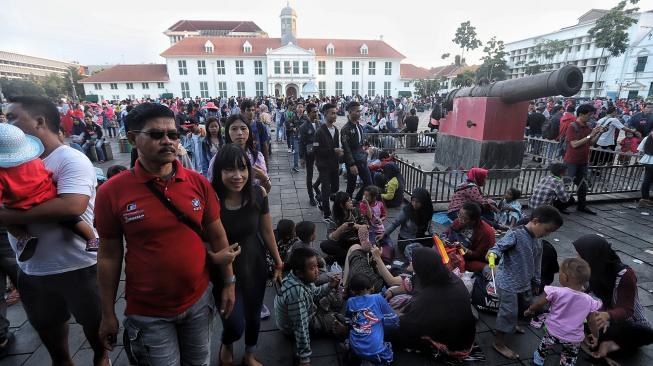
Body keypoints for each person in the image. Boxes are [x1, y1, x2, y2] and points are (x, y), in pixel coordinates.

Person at [94, 102, 238, 364]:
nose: (168, 141)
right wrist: (107, 312)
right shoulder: (111, 192)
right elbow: (109, 255)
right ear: (132, 138)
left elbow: (218, 236)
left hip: (198, 301)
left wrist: (228, 283)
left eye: (173, 135)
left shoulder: (197, 183)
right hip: (149, 313)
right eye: (157, 135)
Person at [0, 96, 108, 365]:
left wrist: (5, 215)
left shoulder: (70, 159)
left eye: (13, 117)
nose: (6, 122)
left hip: (79, 268)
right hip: (32, 271)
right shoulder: (9, 163)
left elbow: (71, 206)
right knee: (56, 351)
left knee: (99, 343)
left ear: (39, 122)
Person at [210, 144, 283, 366]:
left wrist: (279, 261)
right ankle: (227, 342)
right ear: (219, 171)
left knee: (253, 317)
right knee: (233, 323)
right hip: (224, 271)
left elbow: (267, 230)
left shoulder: (258, 194)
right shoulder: (211, 200)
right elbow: (201, 239)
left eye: (242, 169)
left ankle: (249, 354)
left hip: (255, 264)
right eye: (229, 170)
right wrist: (212, 258)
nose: (237, 176)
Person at [0, 124, 99, 260]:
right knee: (72, 220)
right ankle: (92, 239)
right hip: (49, 197)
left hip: (20, 205)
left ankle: (24, 238)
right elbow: (47, 173)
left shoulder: (2, 174)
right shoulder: (35, 160)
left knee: (8, 222)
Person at [487, 205, 563, 360]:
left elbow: (537, 262)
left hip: (524, 281)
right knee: (507, 311)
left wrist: (536, 280)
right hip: (508, 281)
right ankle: (499, 342)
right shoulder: (515, 234)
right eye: (547, 230)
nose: (547, 234)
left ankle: (512, 325)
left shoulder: (537, 241)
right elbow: (498, 247)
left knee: (522, 305)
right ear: (535, 221)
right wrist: (492, 255)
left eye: (551, 232)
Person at [573, 235, 653, 364]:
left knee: (645, 333)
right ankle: (607, 343)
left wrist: (607, 315)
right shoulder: (591, 270)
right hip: (603, 318)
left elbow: (626, 309)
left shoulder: (625, 275)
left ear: (593, 256)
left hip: (627, 322)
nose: (577, 259)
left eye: (580, 256)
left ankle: (611, 344)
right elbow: (586, 294)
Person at [386, 247, 476, 359]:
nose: (411, 262)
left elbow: (407, 323)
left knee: (389, 330)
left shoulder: (428, 298)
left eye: (413, 261)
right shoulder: (441, 275)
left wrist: (389, 311)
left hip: (454, 346)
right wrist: (391, 291)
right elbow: (412, 283)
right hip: (460, 331)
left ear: (421, 267)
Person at [524, 258, 602, 366]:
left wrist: (530, 310)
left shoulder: (556, 292)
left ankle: (538, 361)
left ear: (565, 277)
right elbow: (592, 321)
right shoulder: (589, 301)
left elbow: (538, 304)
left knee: (545, 346)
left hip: (553, 331)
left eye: (560, 273)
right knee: (570, 355)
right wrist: (596, 335)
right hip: (574, 337)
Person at [274, 247, 343, 366]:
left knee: (330, 297)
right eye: (312, 268)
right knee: (334, 318)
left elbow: (315, 293)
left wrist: (330, 285)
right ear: (300, 272)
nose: (317, 271)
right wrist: (304, 358)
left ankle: (324, 314)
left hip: (303, 310)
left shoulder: (299, 278)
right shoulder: (297, 294)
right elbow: (300, 326)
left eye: (317, 266)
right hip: (291, 327)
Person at [346, 273, 399, 365]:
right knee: (389, 354)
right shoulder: (377, 298)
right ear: (372, 287)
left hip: (356, 347)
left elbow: (349, 321)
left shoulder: (350, 302)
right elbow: (393, 319)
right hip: (376, 351)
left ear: (353, 291)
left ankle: (356, 354)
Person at [215, 114, 272, 193]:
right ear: (227, 132)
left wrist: (263, 177)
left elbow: (266, 191)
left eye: (243, 128)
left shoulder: (257, 156)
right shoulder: (219, 157)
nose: (239, 133)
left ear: (249, 131)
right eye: (234, 129)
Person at [563, 104, 603, 215]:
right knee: (566, 183)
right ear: (581, 114)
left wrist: (599, 133)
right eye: (589, 115)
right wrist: (591, 135)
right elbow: (574, 144)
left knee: (583, 185)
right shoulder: (573, 126)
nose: (591, 117)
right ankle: (560, 205)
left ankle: (582, 205)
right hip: (571, 160)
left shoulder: (588, 126)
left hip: (583, 161)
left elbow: (591, 142)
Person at [380, 187, 433, 260]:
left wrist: (433, 234)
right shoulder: (407, 211)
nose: (414, 204)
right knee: (412, 249)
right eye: (413, 201)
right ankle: (415, 262)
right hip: (405, 240)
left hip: (419, 238)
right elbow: (394, 223)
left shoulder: (427, 211)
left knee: (432, 241)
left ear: (424, 202)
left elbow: (429, 225)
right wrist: (384, 234)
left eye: (417, 202)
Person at [445, 202, 495, 272]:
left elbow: (479, 256)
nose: (459, 220)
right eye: (459, 214)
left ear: (474, 221)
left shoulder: (486, 233)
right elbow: (447, 233)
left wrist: (464, 249)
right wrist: (445, 240)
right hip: (453, 250)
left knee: (485, 268)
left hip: (470, 259)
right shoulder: (458, 221)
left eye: (464, 219)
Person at [320, 192, 367, 265]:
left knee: (364, 249)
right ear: (341, 205)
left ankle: (336, 258)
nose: (351, 202)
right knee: (324, 245)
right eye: (348, 201)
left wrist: (355, 226)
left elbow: (367, 227)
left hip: (356, 241)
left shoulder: (356, 211)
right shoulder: (334, 217)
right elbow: (330, 237)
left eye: (351, 200)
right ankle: (349, 257)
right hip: (342, 242)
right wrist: (341, 228)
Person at [314, 103, 343, 220]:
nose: (335, 116)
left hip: (334, 164)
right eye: (332, 113)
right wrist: (333, 150)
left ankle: (320, 197)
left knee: (335, 188)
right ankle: (326, 213)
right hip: (323, 164)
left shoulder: (336, 130)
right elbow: (315, 149)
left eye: (336, 113)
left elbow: (336, 146)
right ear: (325, 114)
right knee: (326, 189)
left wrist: (339, 153)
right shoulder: (319, 132)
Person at [341, 101, 373, 202]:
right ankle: (345, 204)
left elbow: (360, 143)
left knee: (369, 184)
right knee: (351, 186)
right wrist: (351, 164)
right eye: (357, 111)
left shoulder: (359, 126)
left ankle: (357, 199)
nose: (360, 113)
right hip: (353, 162)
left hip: (362, 160)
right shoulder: (345, 129)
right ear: (350, 112)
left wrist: (366, 150)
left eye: (360, 111)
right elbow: (346, 148)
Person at [359, 186, 392, 261]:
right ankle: (374, 259)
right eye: (364, 195)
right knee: (372, 247)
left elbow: (384, 215)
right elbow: (370, 217)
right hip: (370, 231)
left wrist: (381, 219)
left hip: (380, 229)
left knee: (390, 246)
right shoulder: (362, 205)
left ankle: (384, 258)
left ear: (374, 197)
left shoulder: (380, 204)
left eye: (367, 196)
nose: (365, 197)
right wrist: (367, 204)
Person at [298, 103, 322, 206]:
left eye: (317, 111)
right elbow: (301, 143)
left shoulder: (319, 124)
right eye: (314, 112)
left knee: (324, 172)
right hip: (309, 152)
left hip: (320, 153)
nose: (316, 113)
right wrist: (301, 157)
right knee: (309, 176)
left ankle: (316, 185)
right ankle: (311, 196)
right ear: (308, 113)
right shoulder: (304, 126)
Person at [242, 99, 270, 166]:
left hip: (258, 160)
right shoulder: (239, 126)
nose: (251, 112)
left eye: (253, 110)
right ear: (243, 111)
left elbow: (264, 145)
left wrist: (266, 162)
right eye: (248, 110)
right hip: (243, 161)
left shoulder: (260, 126)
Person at [638, 131, 653, 207]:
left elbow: (640, 150)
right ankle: (645, 199)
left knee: (647, 179)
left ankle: (645, 198)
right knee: (648, 180)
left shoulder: (647, 138)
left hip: (647, 160)